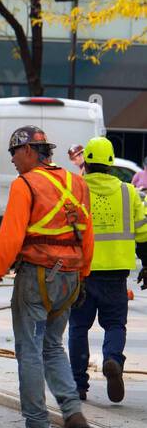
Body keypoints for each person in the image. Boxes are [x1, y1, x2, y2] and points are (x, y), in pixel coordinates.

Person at [0, 126, 92, 428]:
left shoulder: (25, 184)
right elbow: (87, 233)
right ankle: (72, 413)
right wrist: (82, 274)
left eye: (14, 152)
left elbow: (11, 236)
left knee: (30, 349)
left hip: (38, 276)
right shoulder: (76, 183)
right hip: (69, 276)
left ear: (28, 150)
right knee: (53, 347)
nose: (12, 159)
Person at [68, 137, 145, 404]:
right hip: (116, 273)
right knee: (115, 324)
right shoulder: (128, 191)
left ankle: (78, 385)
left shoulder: (76, 189)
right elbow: (144, 232)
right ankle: (112, 359)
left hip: (82, 272)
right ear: (111, 164)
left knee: (78, 326)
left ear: (86, 163)